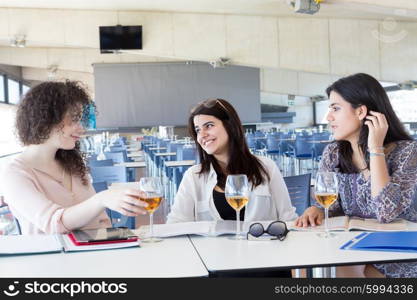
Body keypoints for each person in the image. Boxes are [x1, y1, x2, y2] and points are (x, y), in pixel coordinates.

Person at [295, 73, 417, 278]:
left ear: (361, 111)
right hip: (351, 247)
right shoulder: (333, 153)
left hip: (398, 254)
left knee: (361, 271)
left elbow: (385, 212)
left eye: (335, 108)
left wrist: (375, 148)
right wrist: (315, 209)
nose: (328, 117)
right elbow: (330, 207)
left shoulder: (407, 152)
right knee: (334, 265)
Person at [1, 81, 147, 235]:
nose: (82, 128)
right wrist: (102, 199)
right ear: (47, 118)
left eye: (81, 120)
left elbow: (101, 220)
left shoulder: (71, 163)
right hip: (53, 257)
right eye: (74, 119)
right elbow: (53, 224)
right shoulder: (15, 174)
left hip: (94, 252)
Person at [167, 98, 297, 224]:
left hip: (262, 245)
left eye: (209, 126)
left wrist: (312, 215)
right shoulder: (193, 176)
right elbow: (176, 223)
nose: (202, 135)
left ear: (230, 126)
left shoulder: (267, 167)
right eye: (198, 130)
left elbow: (288, 218)